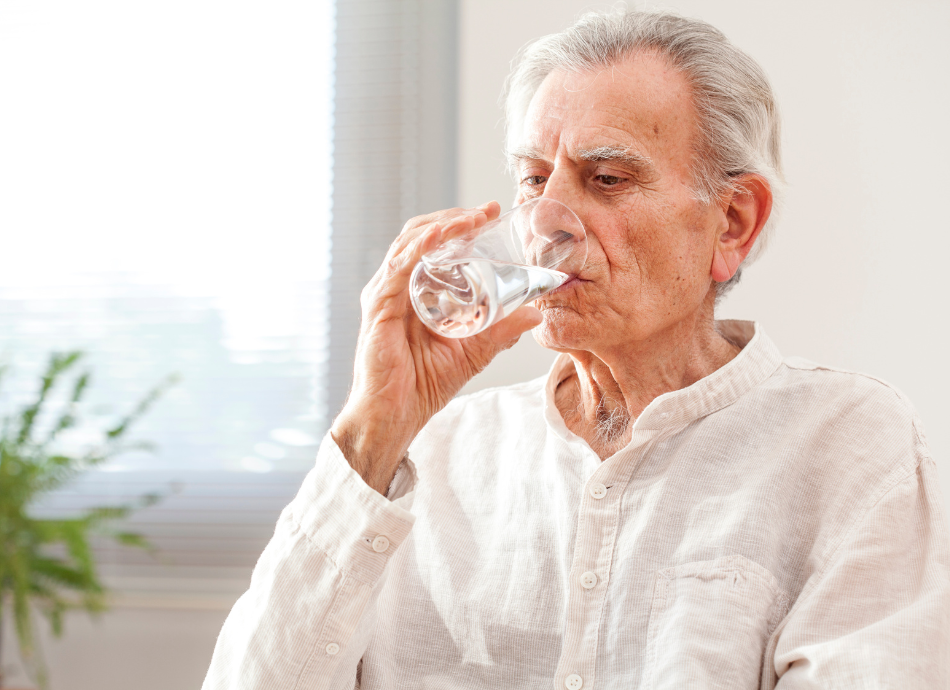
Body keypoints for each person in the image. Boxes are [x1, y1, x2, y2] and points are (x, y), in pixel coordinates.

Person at [203, 10, 950, 690]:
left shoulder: (847, 443)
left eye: (607, 179)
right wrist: (373, 429)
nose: (547, 225)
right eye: (533, 179)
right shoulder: (436, 454)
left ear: (731, 224)